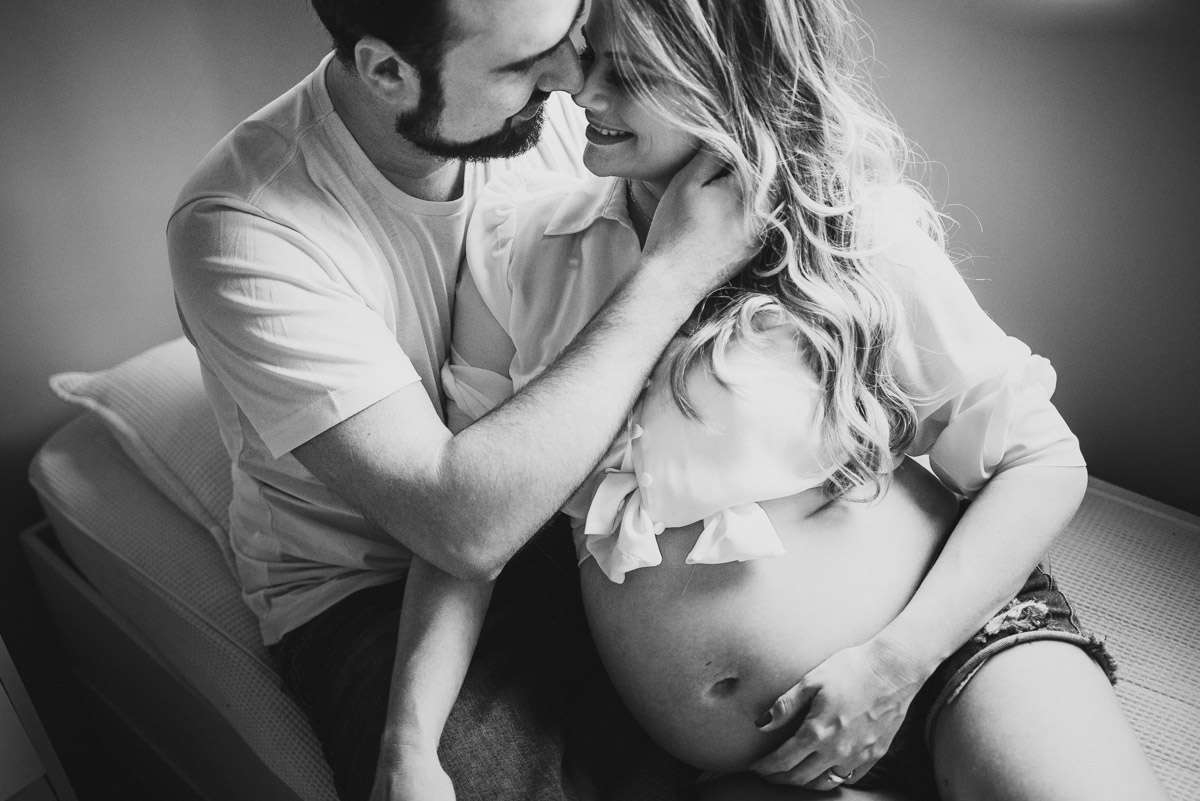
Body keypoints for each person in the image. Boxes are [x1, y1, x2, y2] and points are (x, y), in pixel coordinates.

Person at [403, 0, 1174, 798]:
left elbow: (1042, 459)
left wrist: (893, 666)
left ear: (726, 80)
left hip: (953, 658)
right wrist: (409, 745)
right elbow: (469, 536)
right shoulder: (519, 251)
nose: (583, 93)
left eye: (630, 74)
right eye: (586, 56)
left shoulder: (846, 232)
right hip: (764, 769)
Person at [166, 0, 762, 799]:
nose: (573, 79)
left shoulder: (567, 115)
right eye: (522, 64)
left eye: (568, 31)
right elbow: (461, 528)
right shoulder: (244, 228)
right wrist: (671, 275)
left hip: (580, 509)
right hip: (373, 586)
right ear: (387, 71)